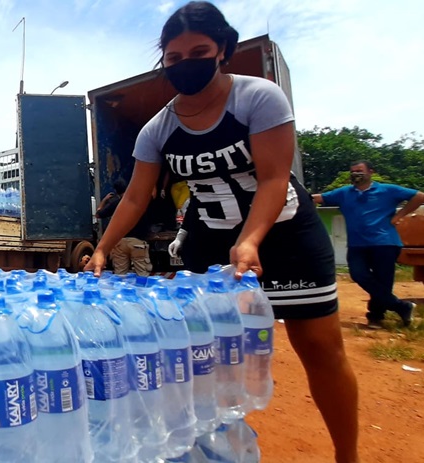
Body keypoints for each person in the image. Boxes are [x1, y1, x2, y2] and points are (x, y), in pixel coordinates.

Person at [84, 3, 359, 461]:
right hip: (211, 243)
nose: (185, 63)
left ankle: (347, 456)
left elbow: (274, 178)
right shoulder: (159, 129)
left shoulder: (258, 98)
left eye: (199, 51)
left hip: (285, 234)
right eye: (173, 58)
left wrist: (250, 240)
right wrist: (103, 248)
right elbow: (135, 197)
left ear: (222, 51)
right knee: (206, 358)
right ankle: (218, 451)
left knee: (320, 349)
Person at [313, 160, 423, 328]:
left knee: (383, 280)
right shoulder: (344, 193)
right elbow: (318, 198)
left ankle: (376, 317)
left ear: (370, 171)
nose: (356, 174)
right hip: (357, 244)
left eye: (360, 170)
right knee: (358, 274)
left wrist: (399, 216)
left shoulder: (388, 190)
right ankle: (402, 306)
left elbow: (419, 196)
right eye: (353, 171)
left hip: (385, 242)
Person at [95, 178, 154, 275]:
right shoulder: (141, 201)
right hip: (137, 242)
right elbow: (152, 193)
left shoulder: (115, 204)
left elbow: (98, 214)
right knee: (143, 275)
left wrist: (104, 200)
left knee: (120, 275)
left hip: (119, 242)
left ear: (116, 192)